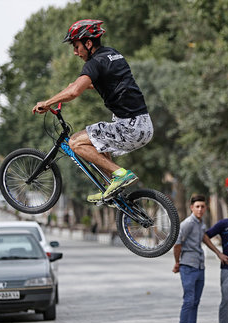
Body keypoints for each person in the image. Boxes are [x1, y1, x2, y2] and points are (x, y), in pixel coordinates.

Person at [32, 20, 153, 203]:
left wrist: (47, 103)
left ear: (88, 43)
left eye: (76, 46)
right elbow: (110, 83)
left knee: (75, 143)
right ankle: (112, 187)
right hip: (143, 125)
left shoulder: (94, 63)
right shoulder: (113, 54)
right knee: (97, 138)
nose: (75, 52)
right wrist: (78, 86)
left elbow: (74, 92)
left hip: (130, 128)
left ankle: (120, 174)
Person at [173, 195, 210, 323]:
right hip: (188, 266)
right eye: (197, 206)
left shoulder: (201, 224)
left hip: (200, 266)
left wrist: (219, 253)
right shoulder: (187, 224)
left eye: (202, 206)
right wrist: (177, 262)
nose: (200, 209)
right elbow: (177, 244)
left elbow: (204, 239)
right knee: (188, 301)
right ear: (191, 208)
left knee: (195, 301)